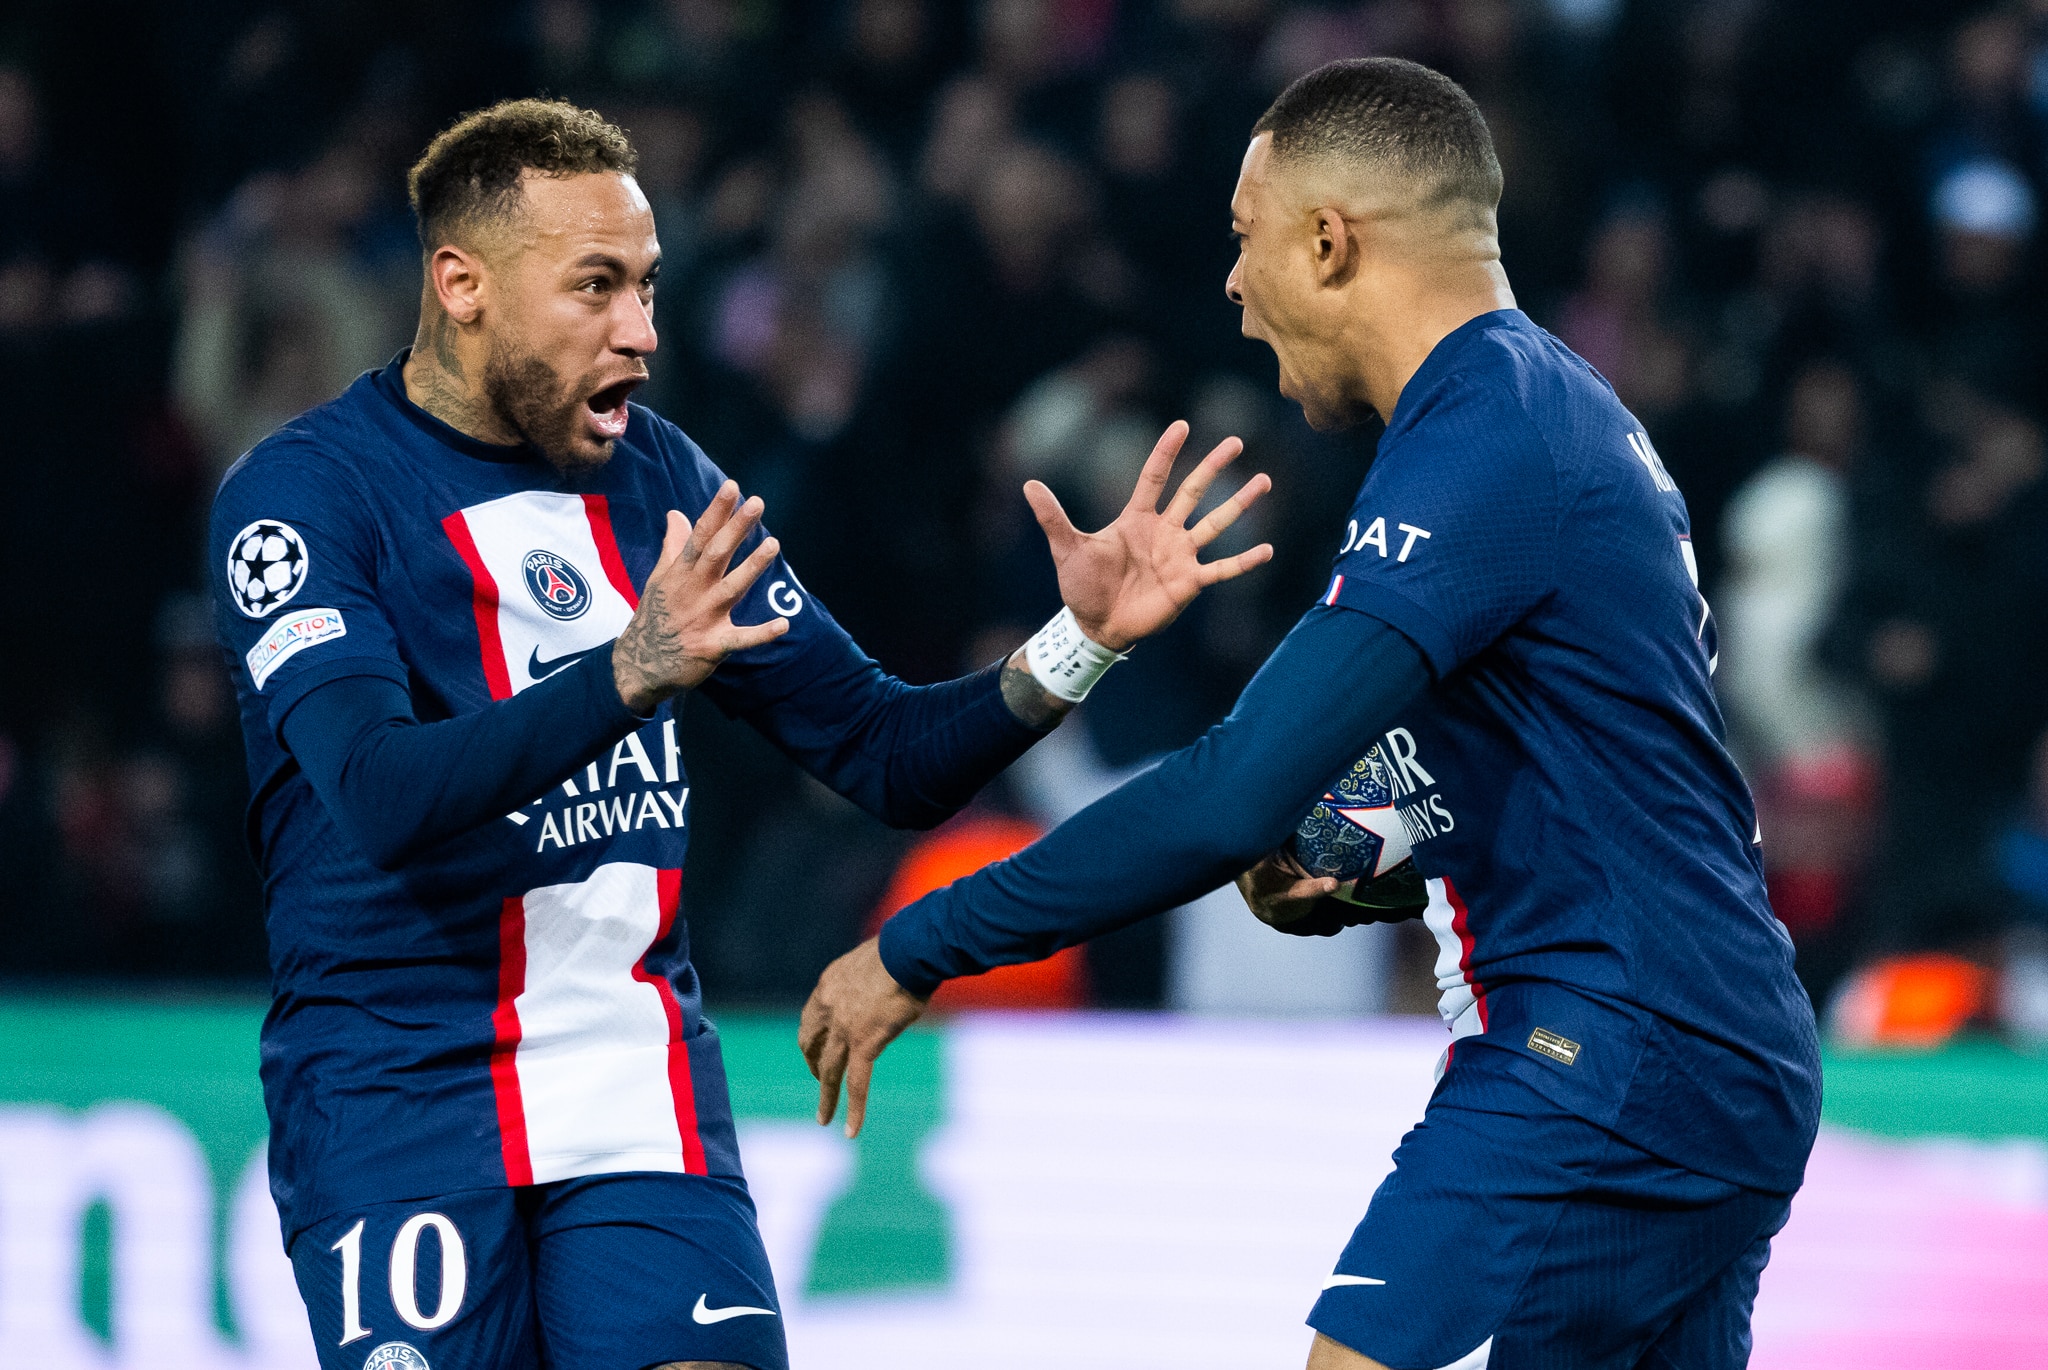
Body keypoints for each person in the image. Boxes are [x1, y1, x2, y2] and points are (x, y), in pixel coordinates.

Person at [209, 99, 1271, 1370]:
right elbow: (377, 792)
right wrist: (628, 671)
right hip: (400, 1091)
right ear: (462, 285)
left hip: (633, 1081)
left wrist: (1076, 641)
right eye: (594, 288)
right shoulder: (305, 496)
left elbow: (881, 752)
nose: (640, 333)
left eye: (648, 287)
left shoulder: (659, 480)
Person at [801, 58, 1821, 1370]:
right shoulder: (1559, 412)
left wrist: (920, 942)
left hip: (1598, 1046)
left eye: (1246, 240)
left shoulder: (1484, 438)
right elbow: (1575, 759)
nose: (1231, 285)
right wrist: (1344, 851)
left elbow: (1231, 790)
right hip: (1713, 1046)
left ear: (1330, 242)